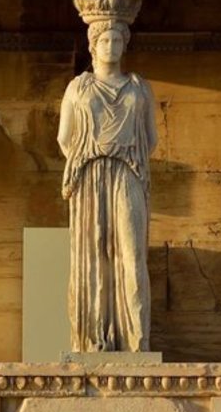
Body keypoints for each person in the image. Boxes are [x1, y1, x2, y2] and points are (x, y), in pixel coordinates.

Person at [58, 18, 158, 352]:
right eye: (105, 41)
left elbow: (151, 138)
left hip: (128, 172)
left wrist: (121, 152)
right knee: (93, 254)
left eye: (117, 41)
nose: (112, 47)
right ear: (93, 44)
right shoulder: (78, 87)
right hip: (89, 175)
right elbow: (64, 137)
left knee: (131, 252)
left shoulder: (139, 88)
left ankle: (134, 339)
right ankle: (92, 339)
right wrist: (90, 154)